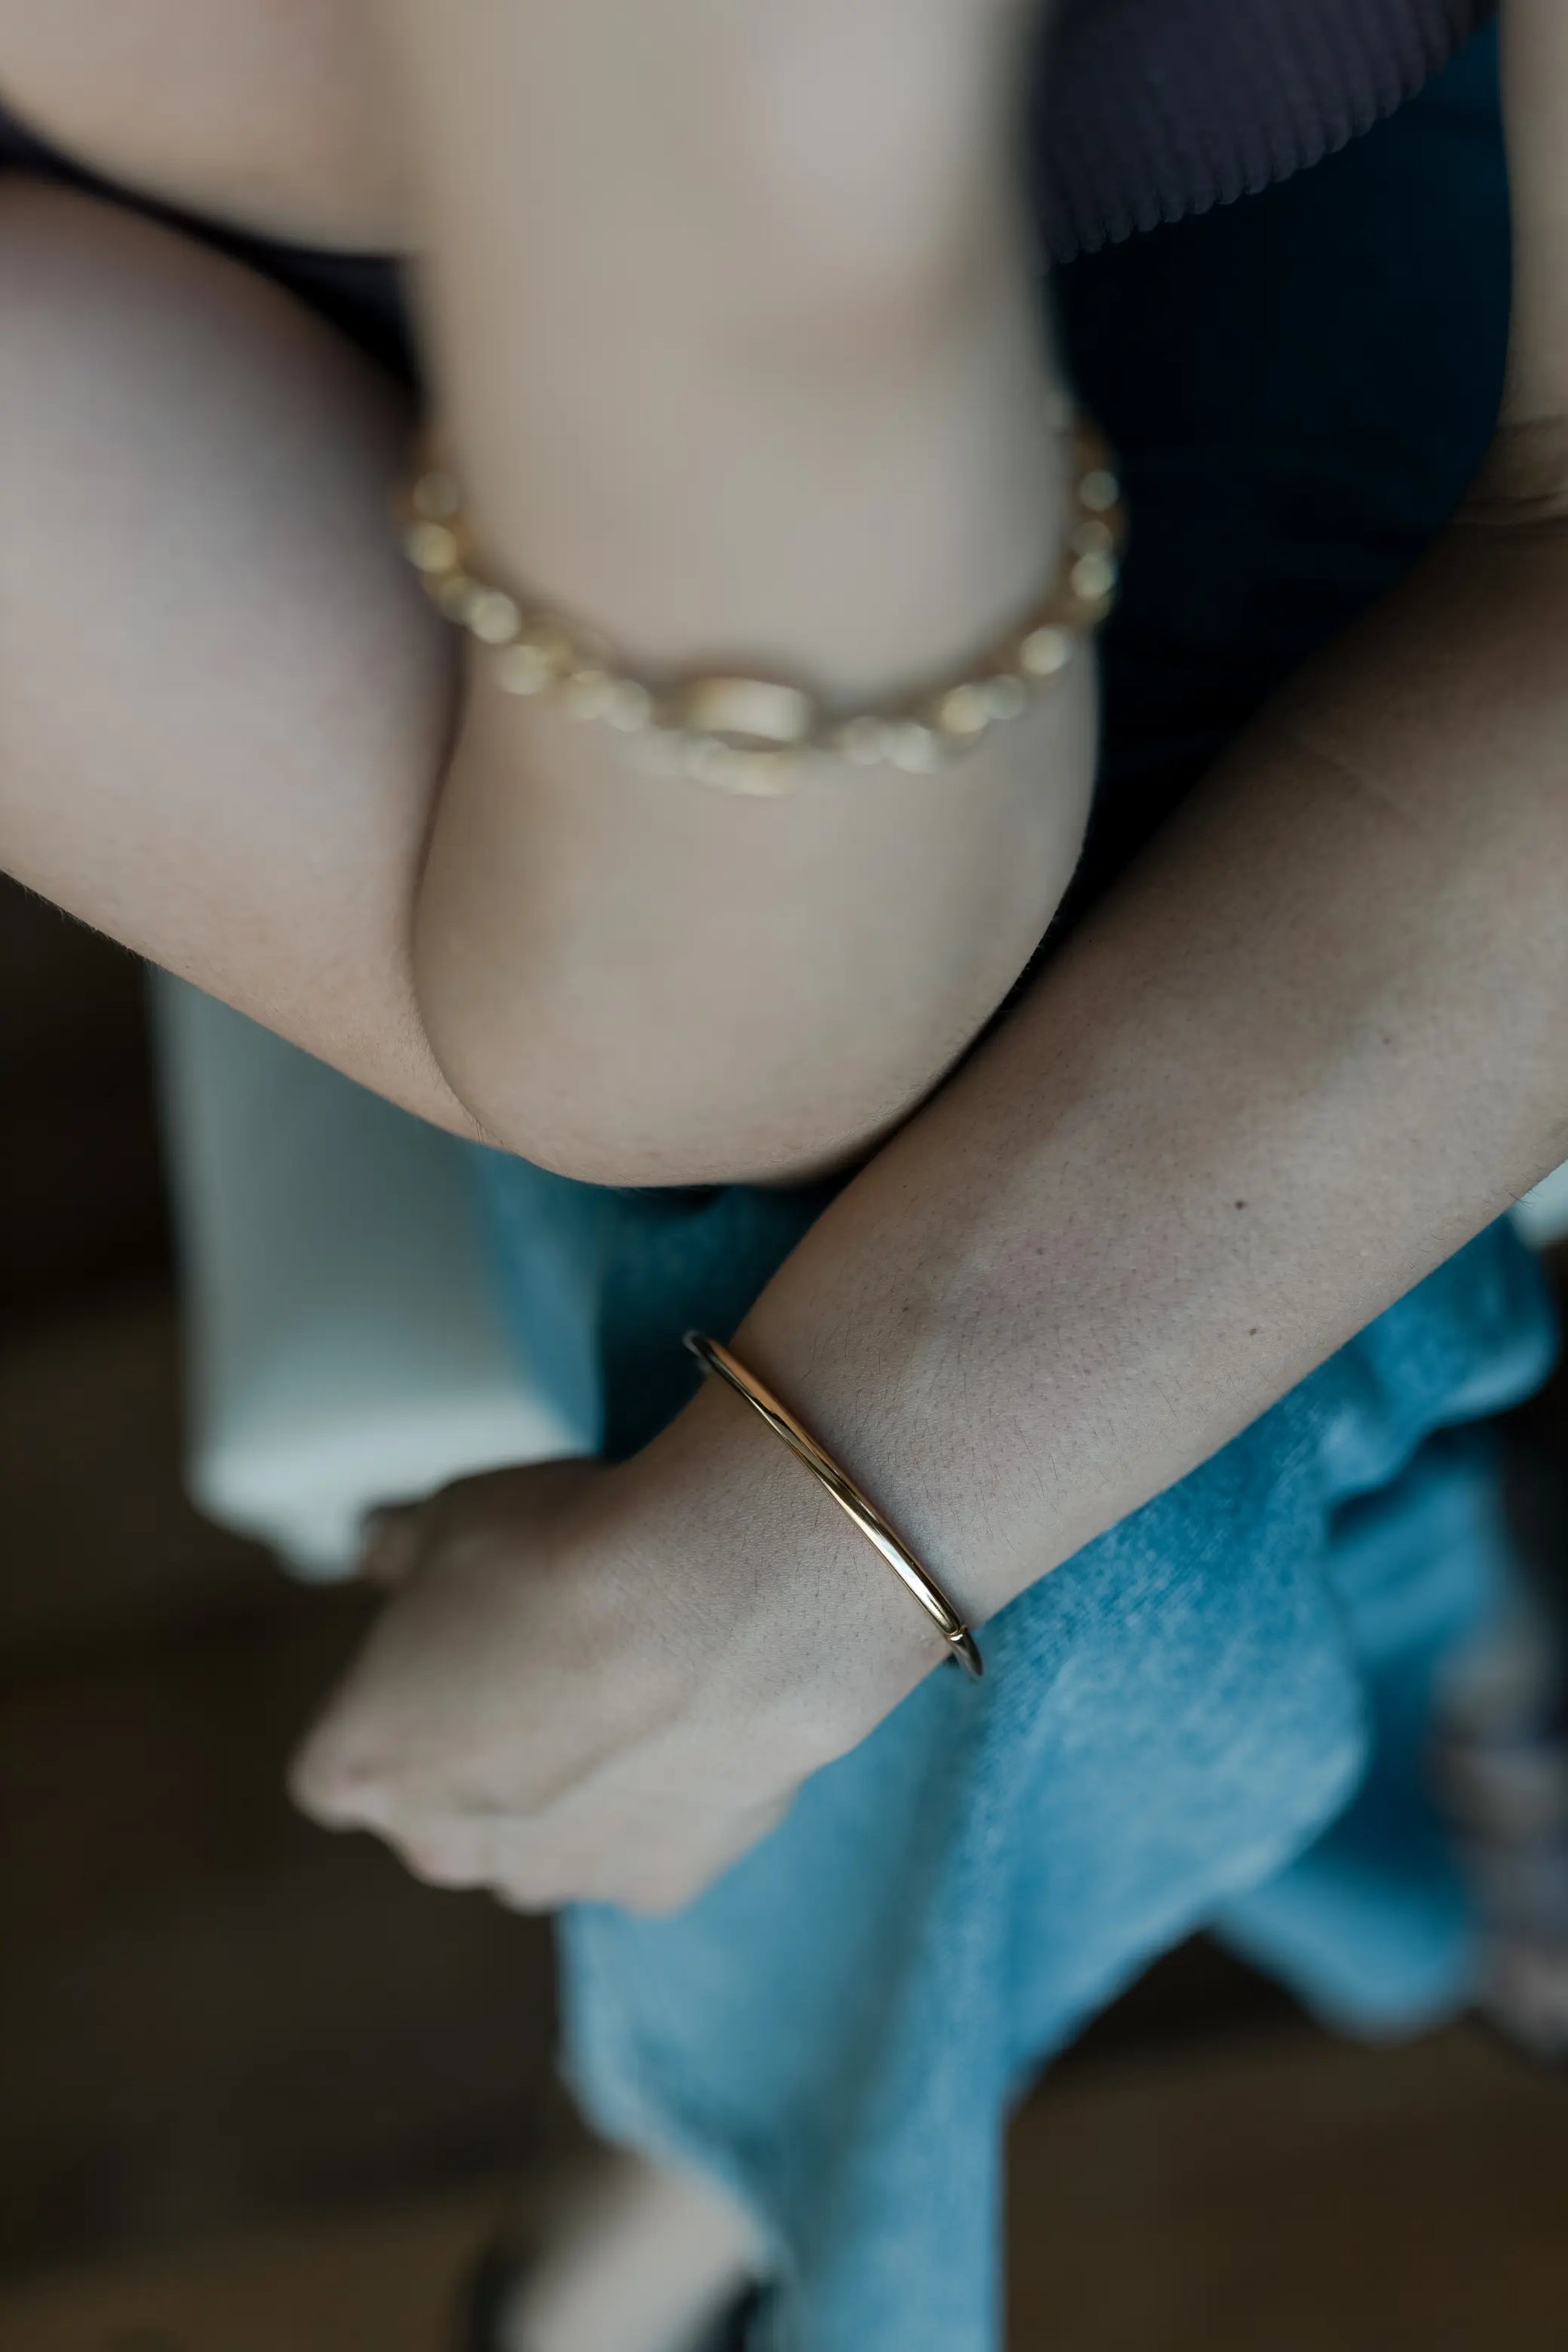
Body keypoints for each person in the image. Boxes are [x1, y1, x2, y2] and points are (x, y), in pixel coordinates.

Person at [4, 3, 1568, 2346]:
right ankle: (1422, 1613)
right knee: (817, 1224)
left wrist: (782, 1571)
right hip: (527, 791)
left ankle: (699, 2149)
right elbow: (687, 1067)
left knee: (860, 1351)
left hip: (1410, 338)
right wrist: (762, 275)